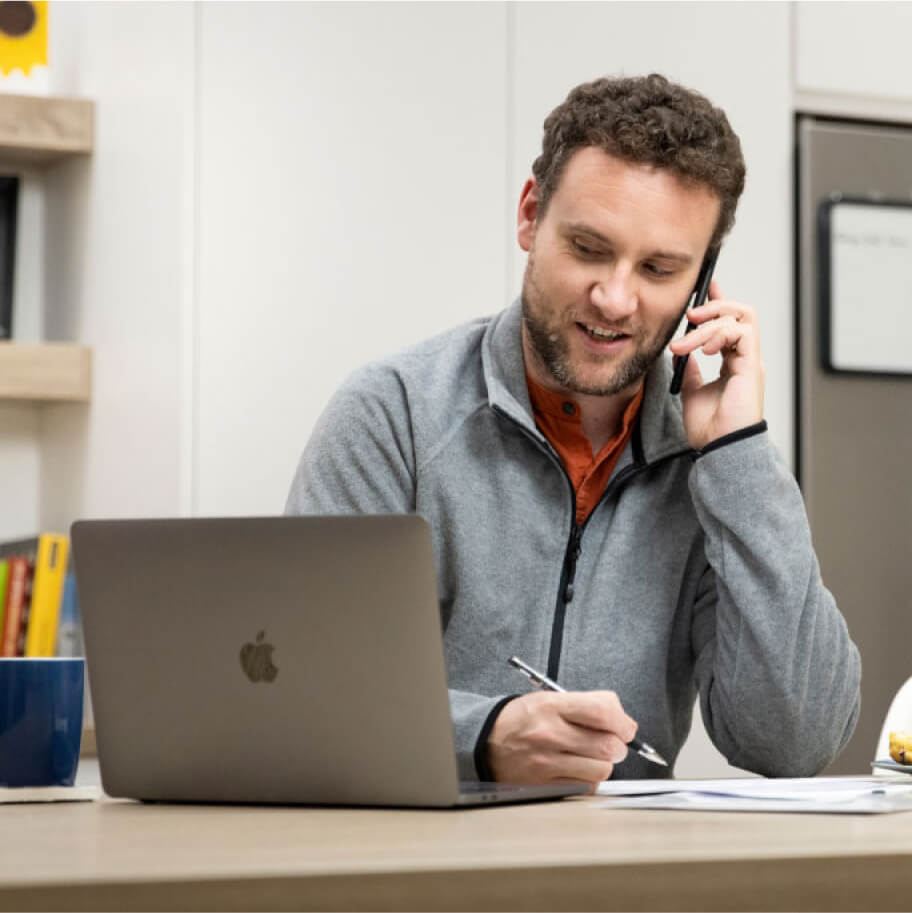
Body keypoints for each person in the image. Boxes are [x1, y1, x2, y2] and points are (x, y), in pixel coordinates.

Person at [286, 73, 861, 787]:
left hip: (624, 859)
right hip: (417, 853)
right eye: (589, 248)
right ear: (531, 216)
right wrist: (483, 736)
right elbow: (304, 688)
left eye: (659, 268)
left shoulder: (716, 468)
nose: (615, 299)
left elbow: (793, 742)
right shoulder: (391, 415)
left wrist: (740, 458)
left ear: (701, 281)